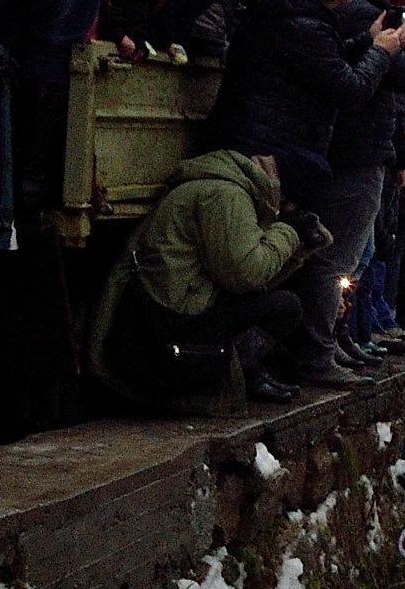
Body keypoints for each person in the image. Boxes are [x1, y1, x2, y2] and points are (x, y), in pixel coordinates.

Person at [108, 145, 337, 404]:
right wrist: (290, 232)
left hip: (177, 313)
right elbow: (246, 275)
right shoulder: (227, 196)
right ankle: (229, 376)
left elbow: (254, 282)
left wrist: (298, 251)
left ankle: (241, 373)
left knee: (283, 306)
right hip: (163, 333)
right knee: (285, 307)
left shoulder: (238, 190)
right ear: (290, 199)